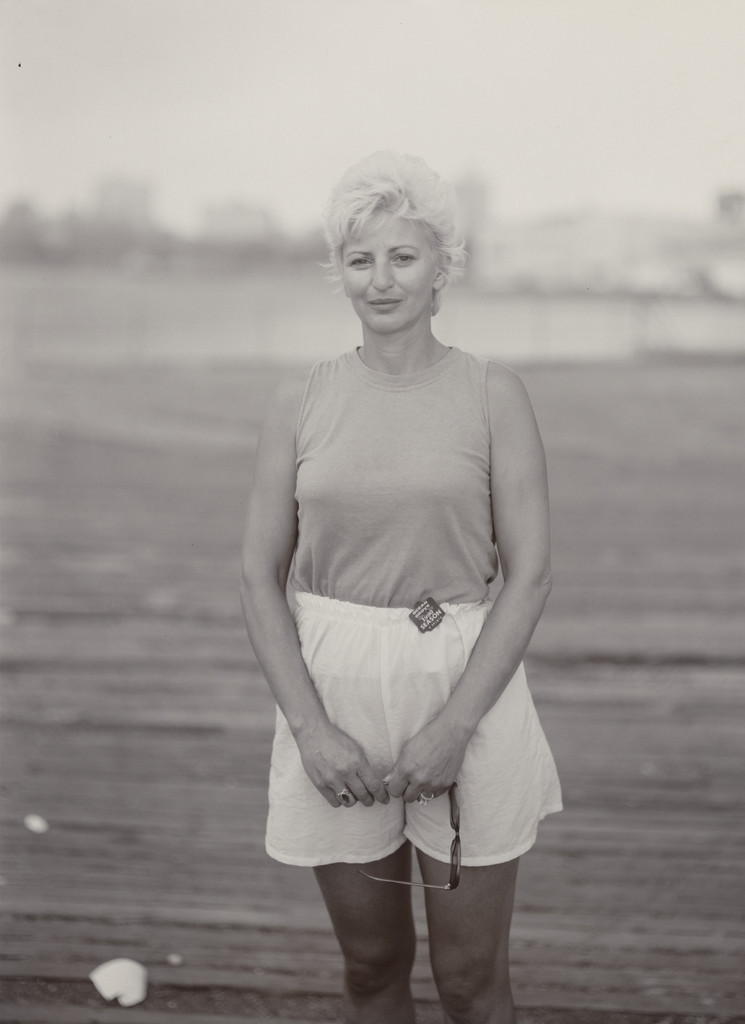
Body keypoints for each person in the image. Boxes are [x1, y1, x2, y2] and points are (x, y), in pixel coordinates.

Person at [240, 151, 562, 1024]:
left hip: (465, 682)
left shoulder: (496, 393)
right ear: (339, 274)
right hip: (334, 689)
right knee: (373, 963)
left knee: (469, 980)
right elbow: (258, 575)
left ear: (442, 270)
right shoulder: (300, 398)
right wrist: (311, 728)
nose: (381, 280)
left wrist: (455, 727)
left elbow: (528, 574)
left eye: (403, 257)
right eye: (360, 259)